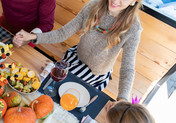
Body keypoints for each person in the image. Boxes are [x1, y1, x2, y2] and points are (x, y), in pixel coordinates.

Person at [14, 0, 143, 101]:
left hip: (95, 74)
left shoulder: (134, 28)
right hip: (75, 58)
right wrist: (32, 37)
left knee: (65, 97)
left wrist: (122, 98)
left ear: (134, 1)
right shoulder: (93, 6)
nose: (115, 0)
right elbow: (63, 33)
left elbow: (128, 68)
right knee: (44, 87)